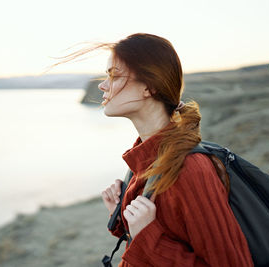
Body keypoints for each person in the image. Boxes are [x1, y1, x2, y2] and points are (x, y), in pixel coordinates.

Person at [97, 33, 254, 266]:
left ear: (149, 87)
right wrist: (120, 217)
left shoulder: (190, 169)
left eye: (114, 75)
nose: (102, 84)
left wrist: (147, 236)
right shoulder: (147, 159)